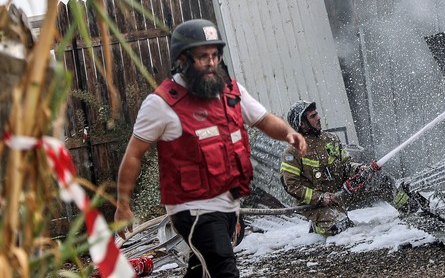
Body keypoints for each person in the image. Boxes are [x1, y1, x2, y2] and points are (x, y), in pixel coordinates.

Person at [114, 19, 307, 278]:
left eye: (215, 55)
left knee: (201, 268)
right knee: (223, 269)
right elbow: (134, 155)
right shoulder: (161, 104)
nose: (211, 63)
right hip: (191, 208)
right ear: (182, 58)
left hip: (228, 202)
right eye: (203, 56)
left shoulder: (231, 91)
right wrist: (123, 204)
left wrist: (289, 133)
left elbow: (263, 119)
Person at [280, 100, 418, 236]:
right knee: (340, 227)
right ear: (302, 124)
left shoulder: (330, 139)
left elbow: (346, 164)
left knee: (381, 180)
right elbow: (292, 186)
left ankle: (411, 209)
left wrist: (359, 169)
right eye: (313, 116)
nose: (319, 117)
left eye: (317, 114)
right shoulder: (292, 152)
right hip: (318, 204)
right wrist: (320, 198)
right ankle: (318, 227)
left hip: (342, 193)